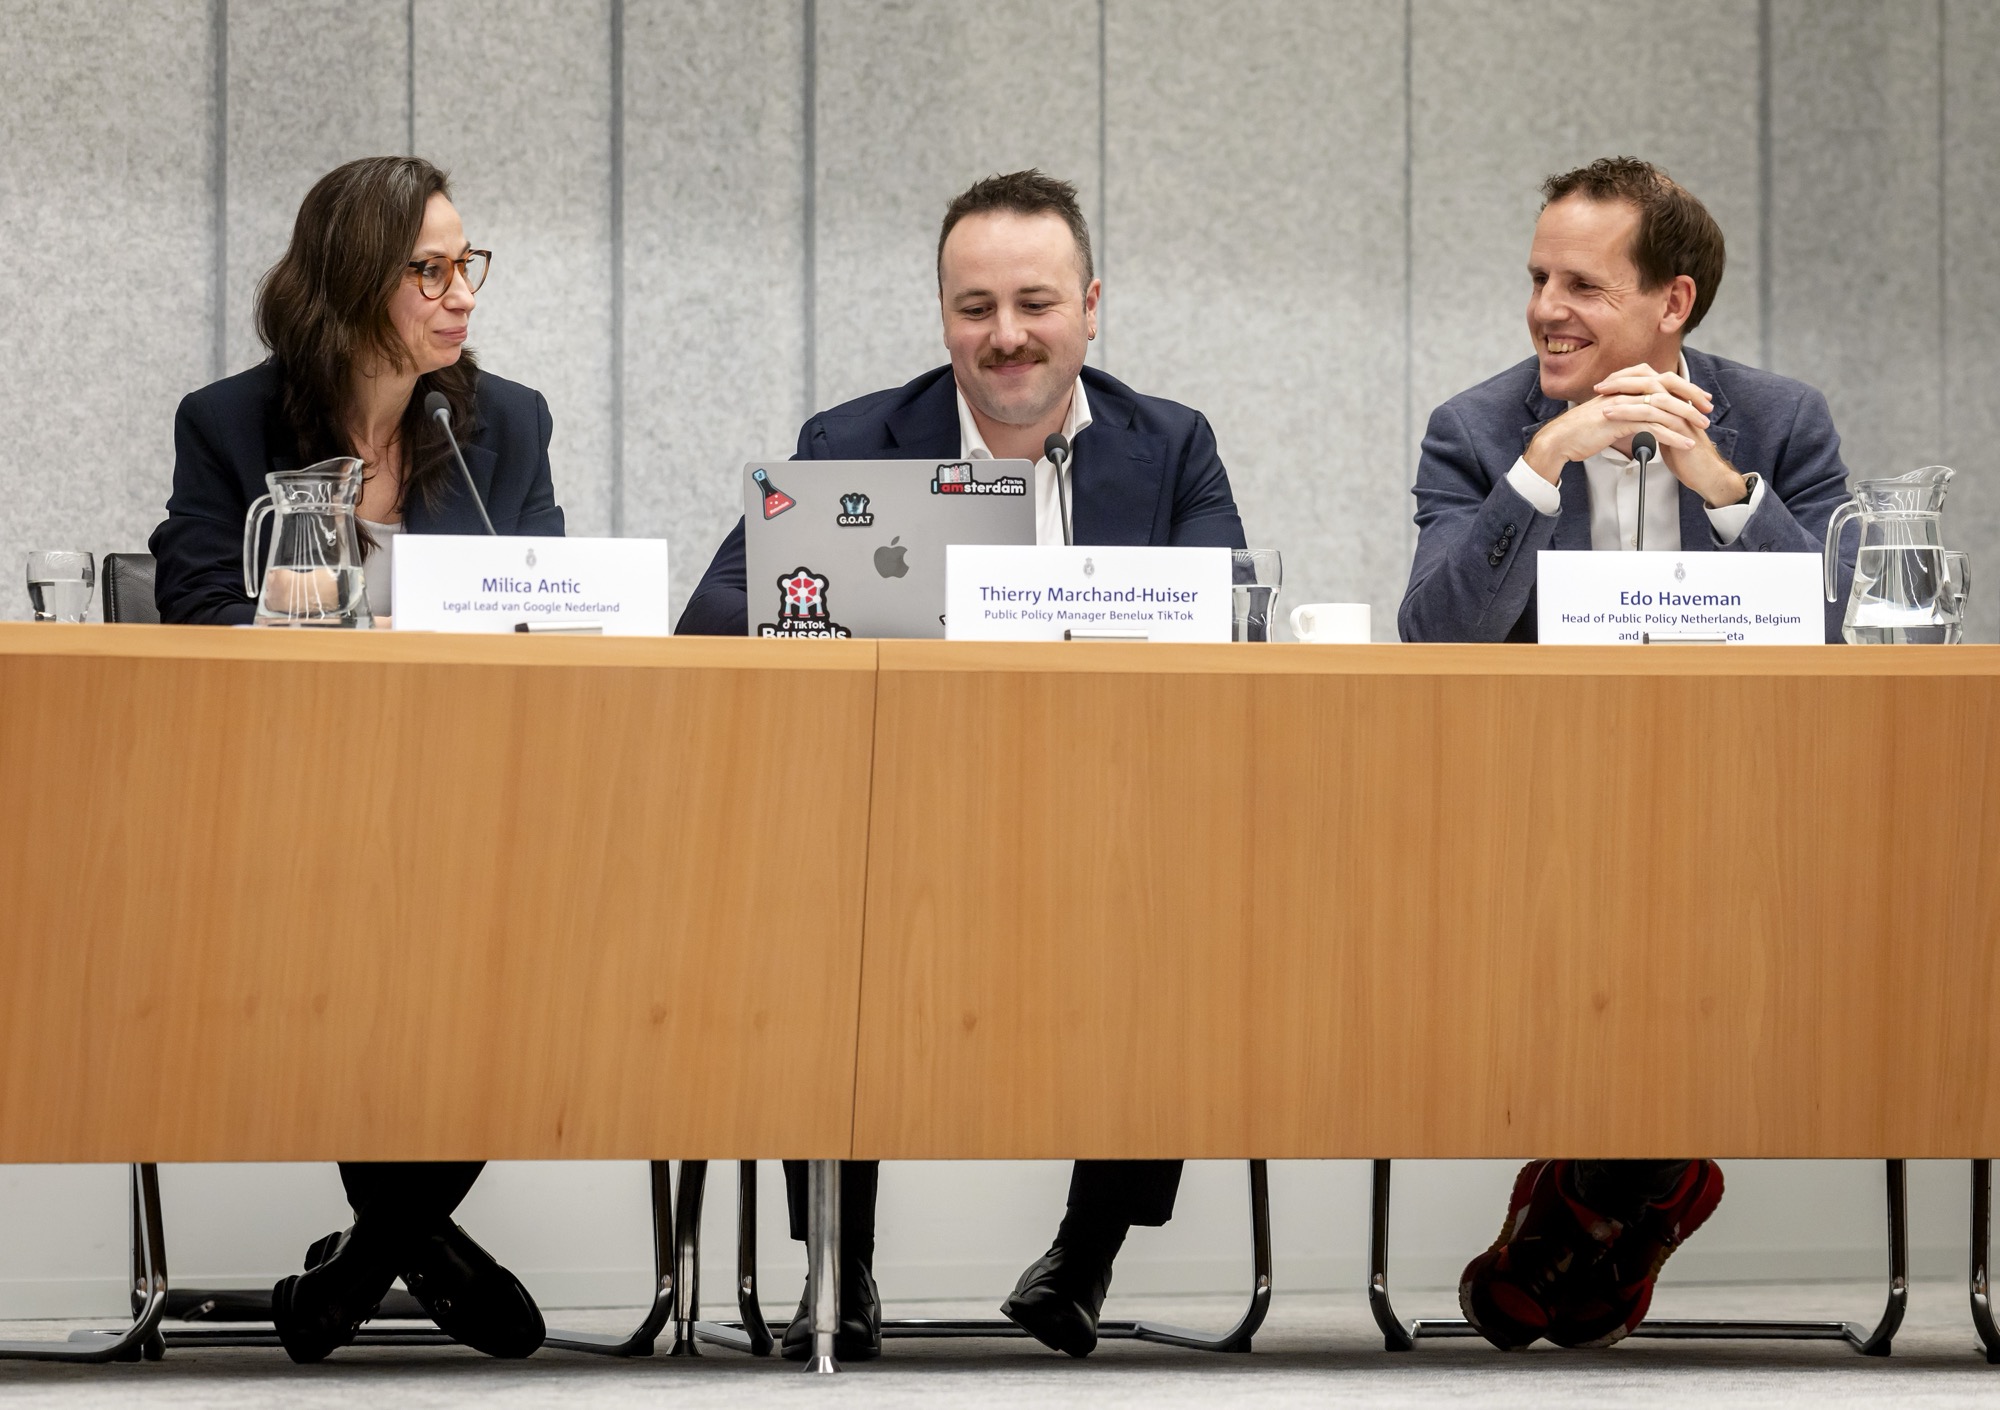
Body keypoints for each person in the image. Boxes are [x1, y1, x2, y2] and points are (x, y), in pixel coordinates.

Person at [679, 169, 1246, 1360]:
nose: (1006, 336)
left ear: (1090, 307)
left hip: (1106, 820)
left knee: (1189, 908)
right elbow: (713, 613)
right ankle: (841, 1268)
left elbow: (1222, 623)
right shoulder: (852, 443)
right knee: (815, 911)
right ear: (942, 314)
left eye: (1034, 303)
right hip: (894, 819)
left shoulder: (1169, 445)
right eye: (974, 307)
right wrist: (896, 612)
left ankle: (1081, 1259)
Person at [1399, 157, 1854, 1351]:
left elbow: (1838, 631)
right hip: (1536, 813)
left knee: (1723, 910)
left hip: (1743, 809)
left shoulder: (1779, 422)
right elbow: (1432, 634)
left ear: (1672, 302)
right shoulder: (1476, 429)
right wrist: (1539, 468)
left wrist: (1724, 488)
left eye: (1581, 286)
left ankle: (1591, 1199)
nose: (1544, 309)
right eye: (1536, 279)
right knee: (1603, 909)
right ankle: (1629, 1191)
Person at [150, 156, 561, 1362]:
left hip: (465, 797)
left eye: (465, 265)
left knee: (510, 933)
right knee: (377, 924)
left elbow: (546, 602)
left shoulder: (503, 423)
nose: (461, 293)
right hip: (290, 800)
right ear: (349, 280)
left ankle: (367, 1258)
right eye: (428, 270)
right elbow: (195, 603)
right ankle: (407, 1243)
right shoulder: (229, 421)